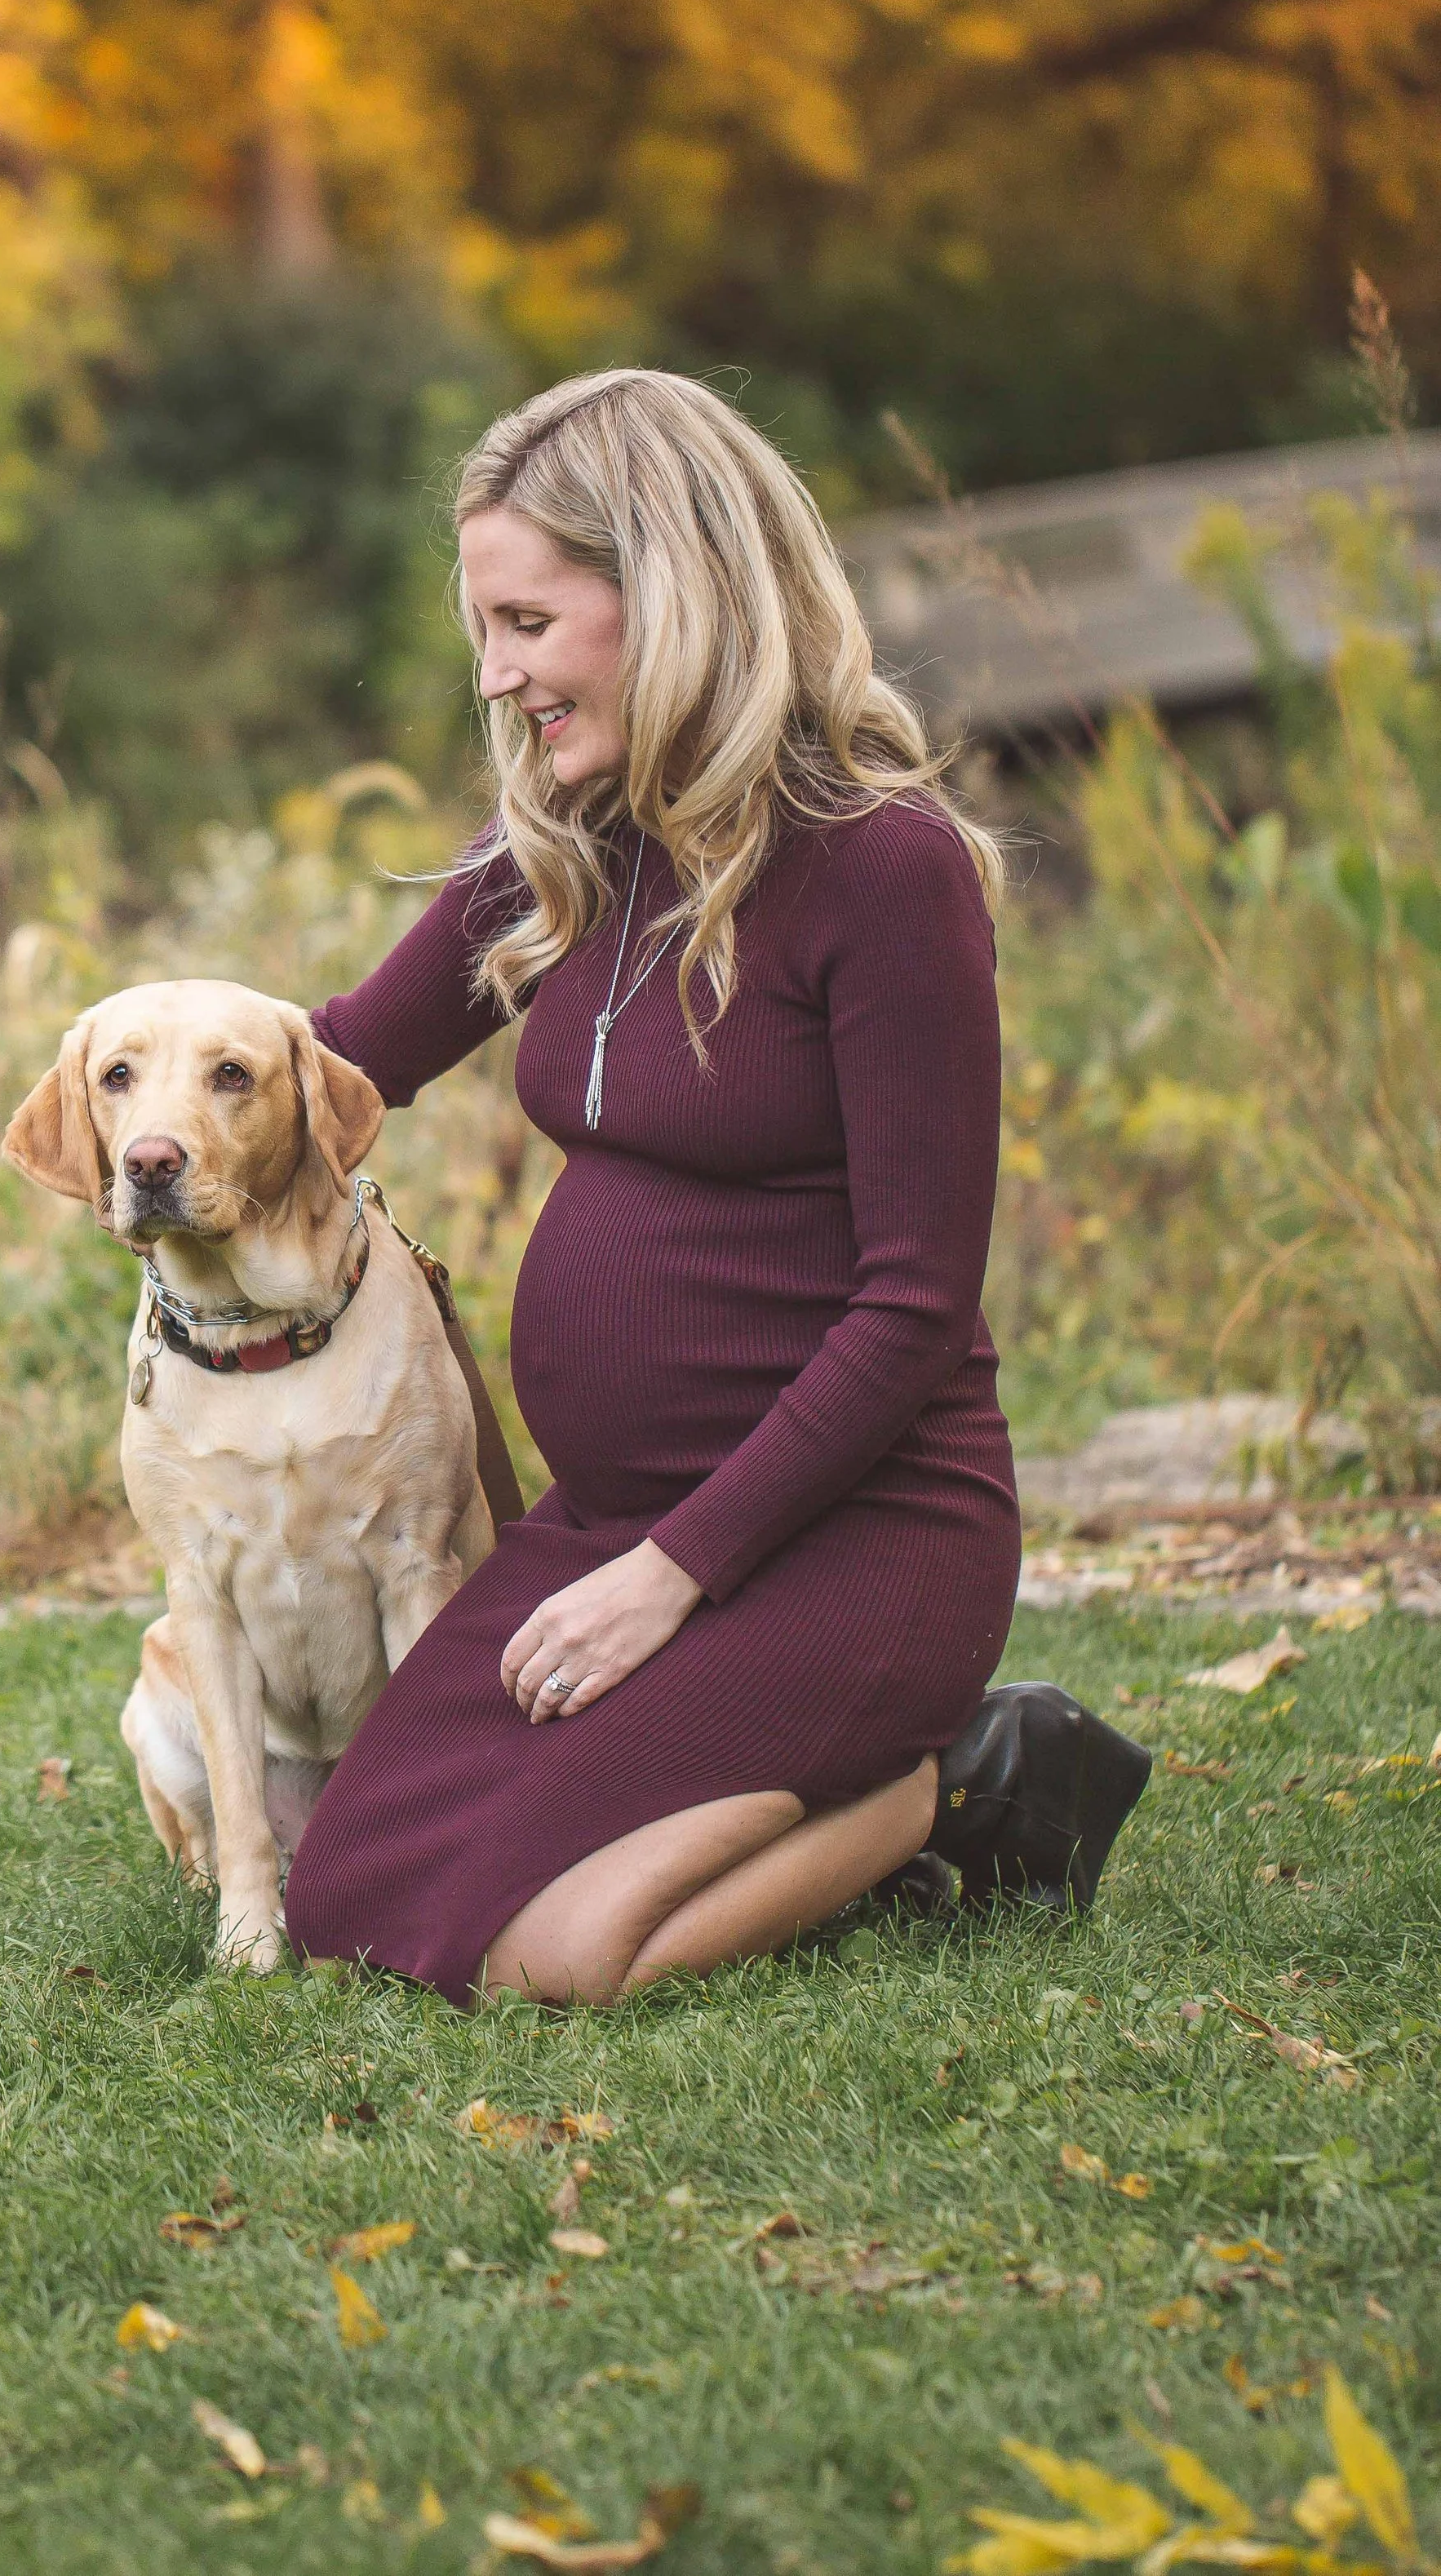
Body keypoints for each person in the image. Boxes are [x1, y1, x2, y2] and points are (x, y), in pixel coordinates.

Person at [282, 367, 1146, 2007]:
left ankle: (942, 1787)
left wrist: (668, 1576)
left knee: (555, 1962)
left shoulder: (881, 869)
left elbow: (912, 1308)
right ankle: (831, 1783)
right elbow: (345, 1062)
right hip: (604, 1529)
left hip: (846, 1535)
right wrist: (144, 1087)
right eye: (485, 628)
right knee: (352, 1899)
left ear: (666, 591)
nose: (496, 675)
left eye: (528, 621)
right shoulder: (563, 838)